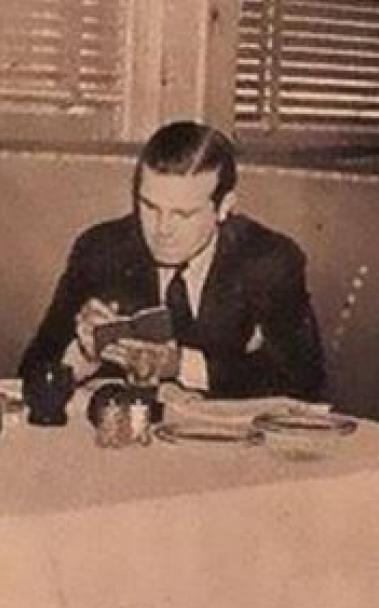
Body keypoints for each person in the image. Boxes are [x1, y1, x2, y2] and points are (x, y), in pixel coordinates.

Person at [19, 120, 326, 400]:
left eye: (183, 214)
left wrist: (180, 365)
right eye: (149, 207)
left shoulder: (268, 259)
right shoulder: (102, 249)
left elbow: (305, 379)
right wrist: (85, 354)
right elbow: (31, 370)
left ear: (224, 208)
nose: (162, 229)